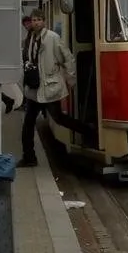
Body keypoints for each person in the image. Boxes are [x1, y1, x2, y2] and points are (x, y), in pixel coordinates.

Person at [18, 9, 94, 167]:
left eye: (38, 19)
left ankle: (90, 132)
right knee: (28, 124)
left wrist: (70, 79)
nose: (36, 22)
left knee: (59, 118)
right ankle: (29, 157)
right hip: (34, 89)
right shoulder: (30, 38)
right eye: (33, 20)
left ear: (44, 21)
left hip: (49, 87)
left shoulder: (52, 37)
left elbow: (67, 58)